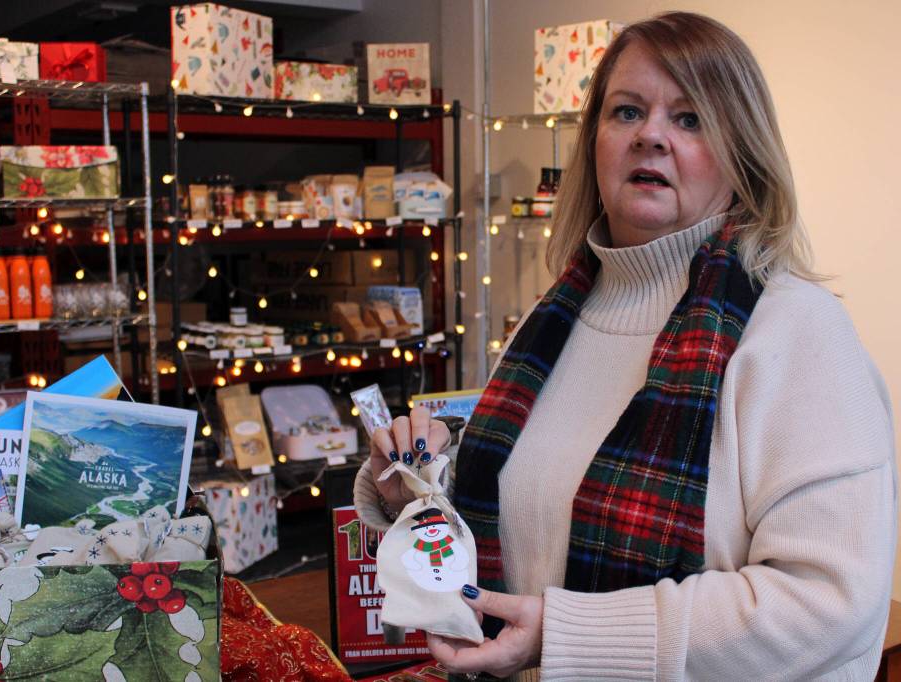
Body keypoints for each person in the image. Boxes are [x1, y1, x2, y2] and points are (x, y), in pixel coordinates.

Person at [354, 11, 896, 681]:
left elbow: (828, 604)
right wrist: (413, 489)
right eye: (627, 112)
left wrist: (569, 635)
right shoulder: (549, 322)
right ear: (595, 145)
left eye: (690, 119)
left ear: (743, 155)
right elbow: (519, 529)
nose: (651, 137)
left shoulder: (799, 333)